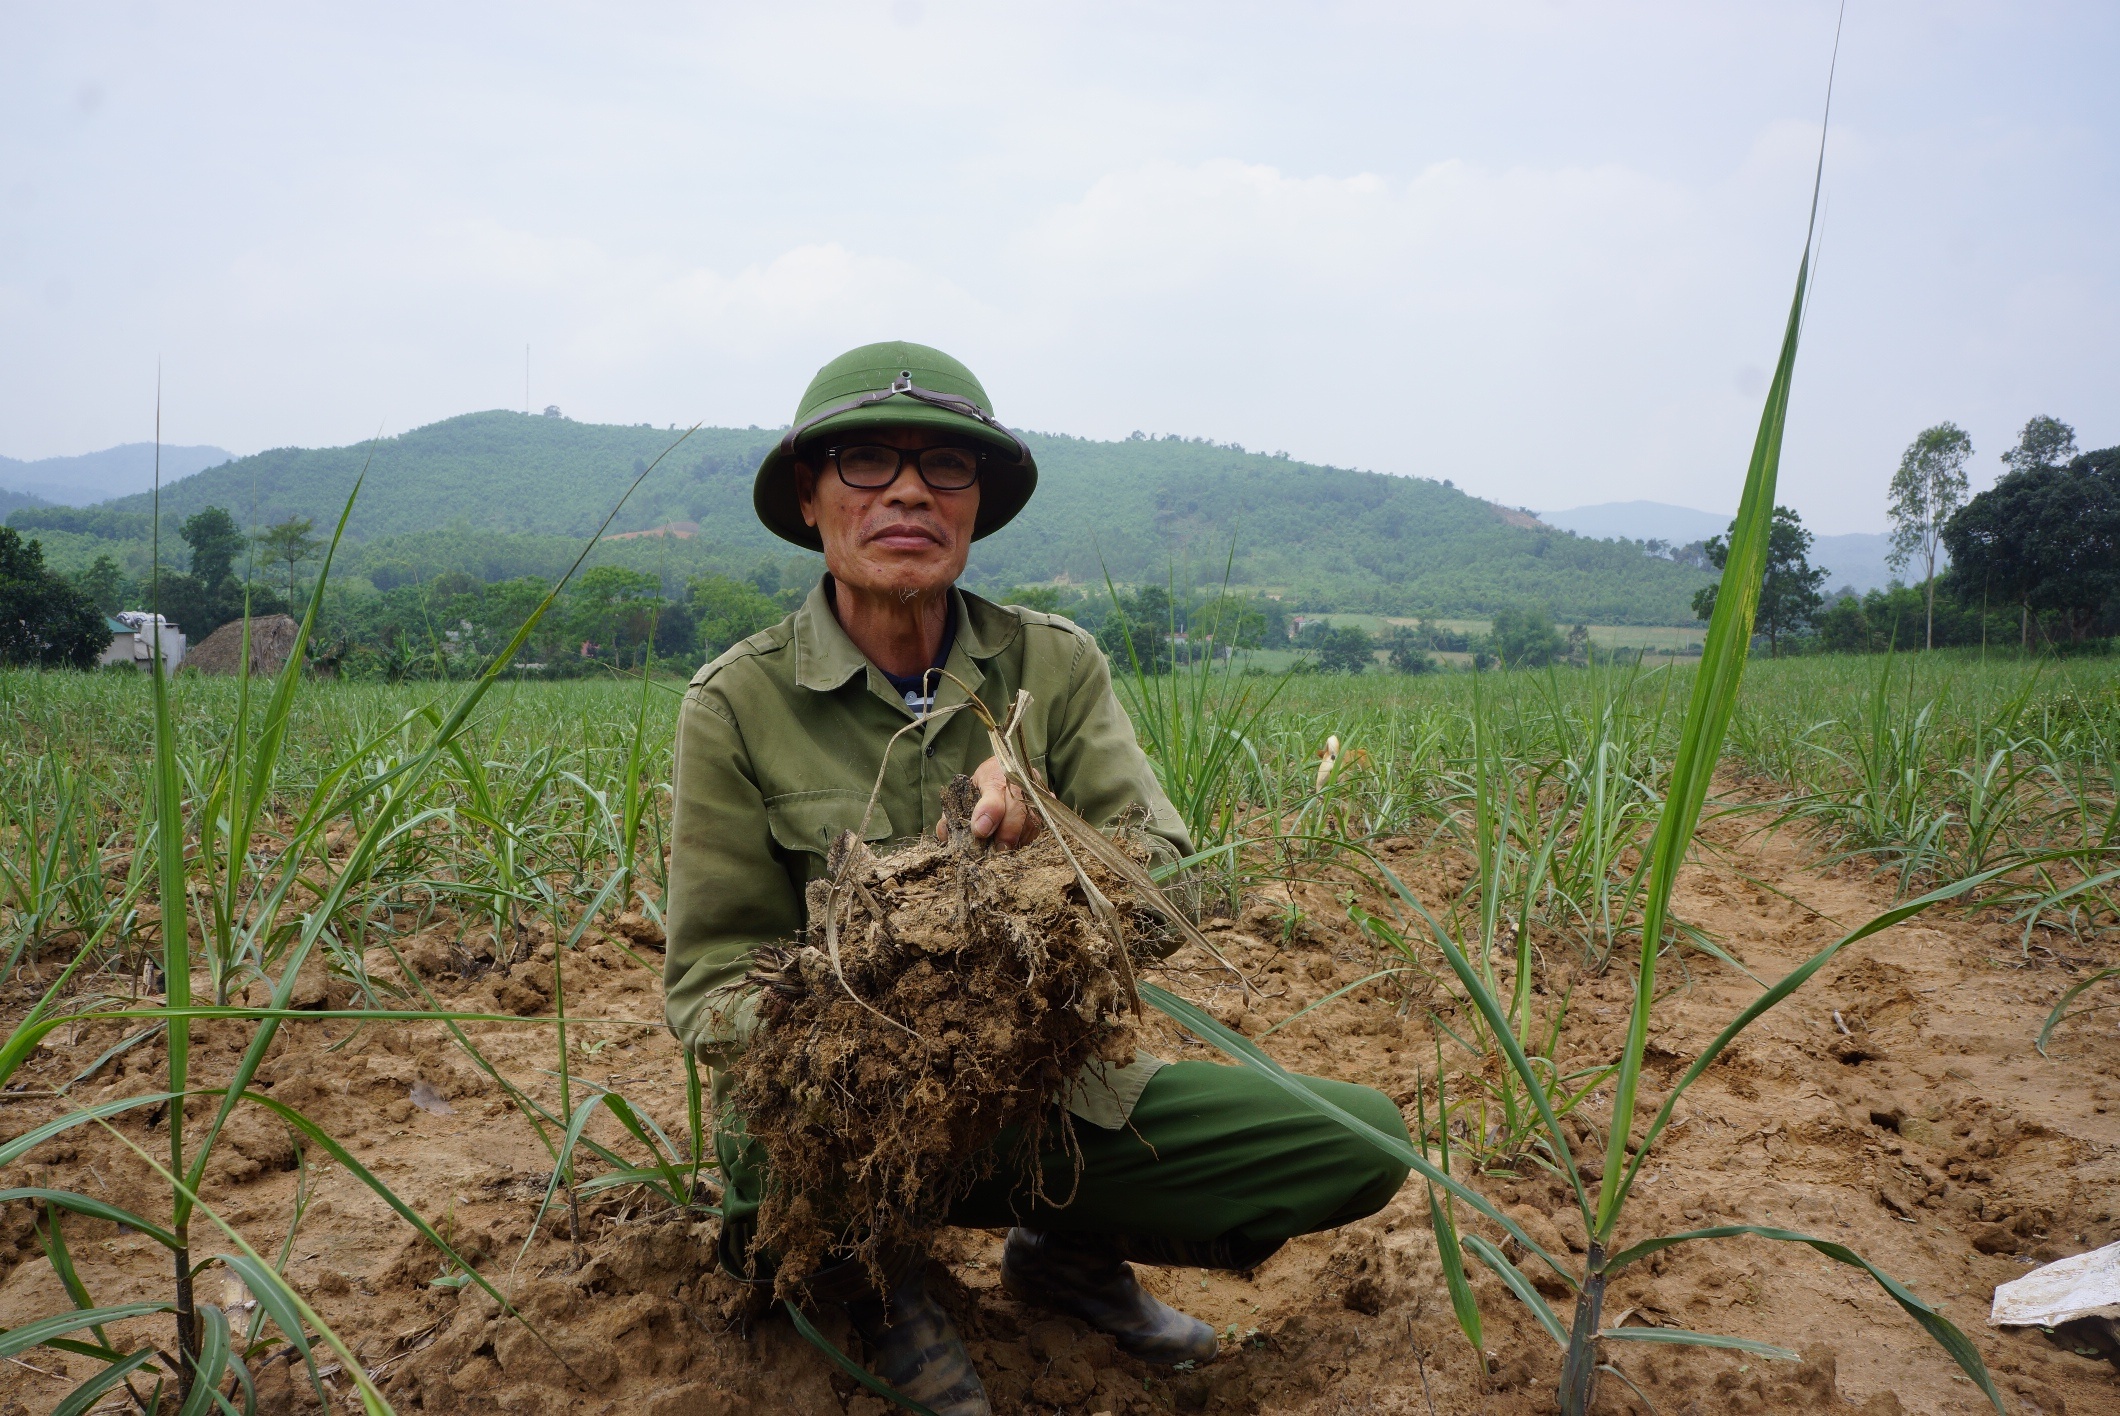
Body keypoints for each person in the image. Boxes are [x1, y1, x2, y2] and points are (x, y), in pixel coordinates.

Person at [664, 342, 1411, 1415]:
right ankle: (867, 1278)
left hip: (1022, 1092)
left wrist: (1052, 843)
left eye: (945, 468)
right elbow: (707, 990)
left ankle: (1064, 1249)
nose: (911, 490)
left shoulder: (1051, 668)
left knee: (1359, 1143)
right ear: (809, 495)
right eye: (867, 460)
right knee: (765, 1158)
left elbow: (1175, 881)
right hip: (838, 1123)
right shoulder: (736, 703)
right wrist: (881, 1021)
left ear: (974, 506)